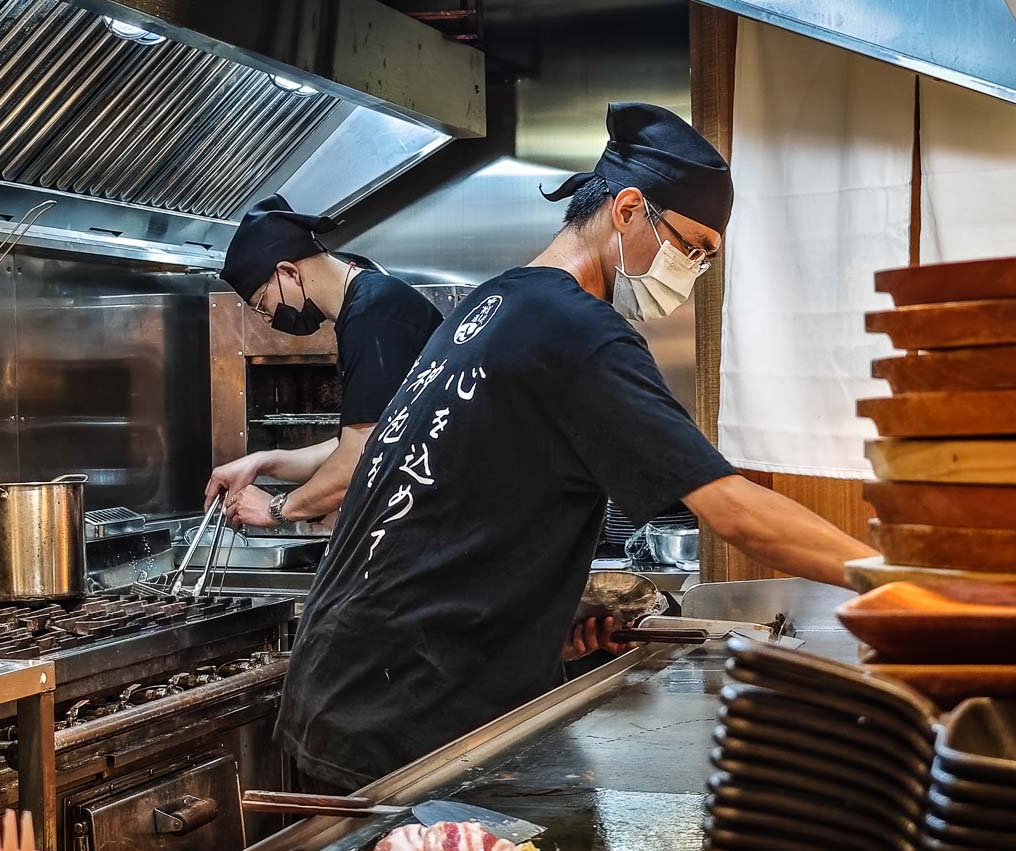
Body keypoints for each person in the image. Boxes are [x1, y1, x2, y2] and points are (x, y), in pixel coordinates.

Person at [274, 102, 876, 792]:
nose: (694, 272)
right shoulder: (576, 331)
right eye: (693, 247)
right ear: (626, 211)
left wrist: (548, 617)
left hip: (345, 692)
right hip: (405, 721)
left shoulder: (493, 305)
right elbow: (732, 508)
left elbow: (462, 511)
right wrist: (900, 582)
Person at [207, 194, 443, 528]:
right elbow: (354, 442)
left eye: (262, 303)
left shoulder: (374, 315)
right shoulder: (368, 306)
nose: (266, 318)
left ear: (288, 272)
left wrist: (276, 509)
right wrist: (263, 461)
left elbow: (362, 459)